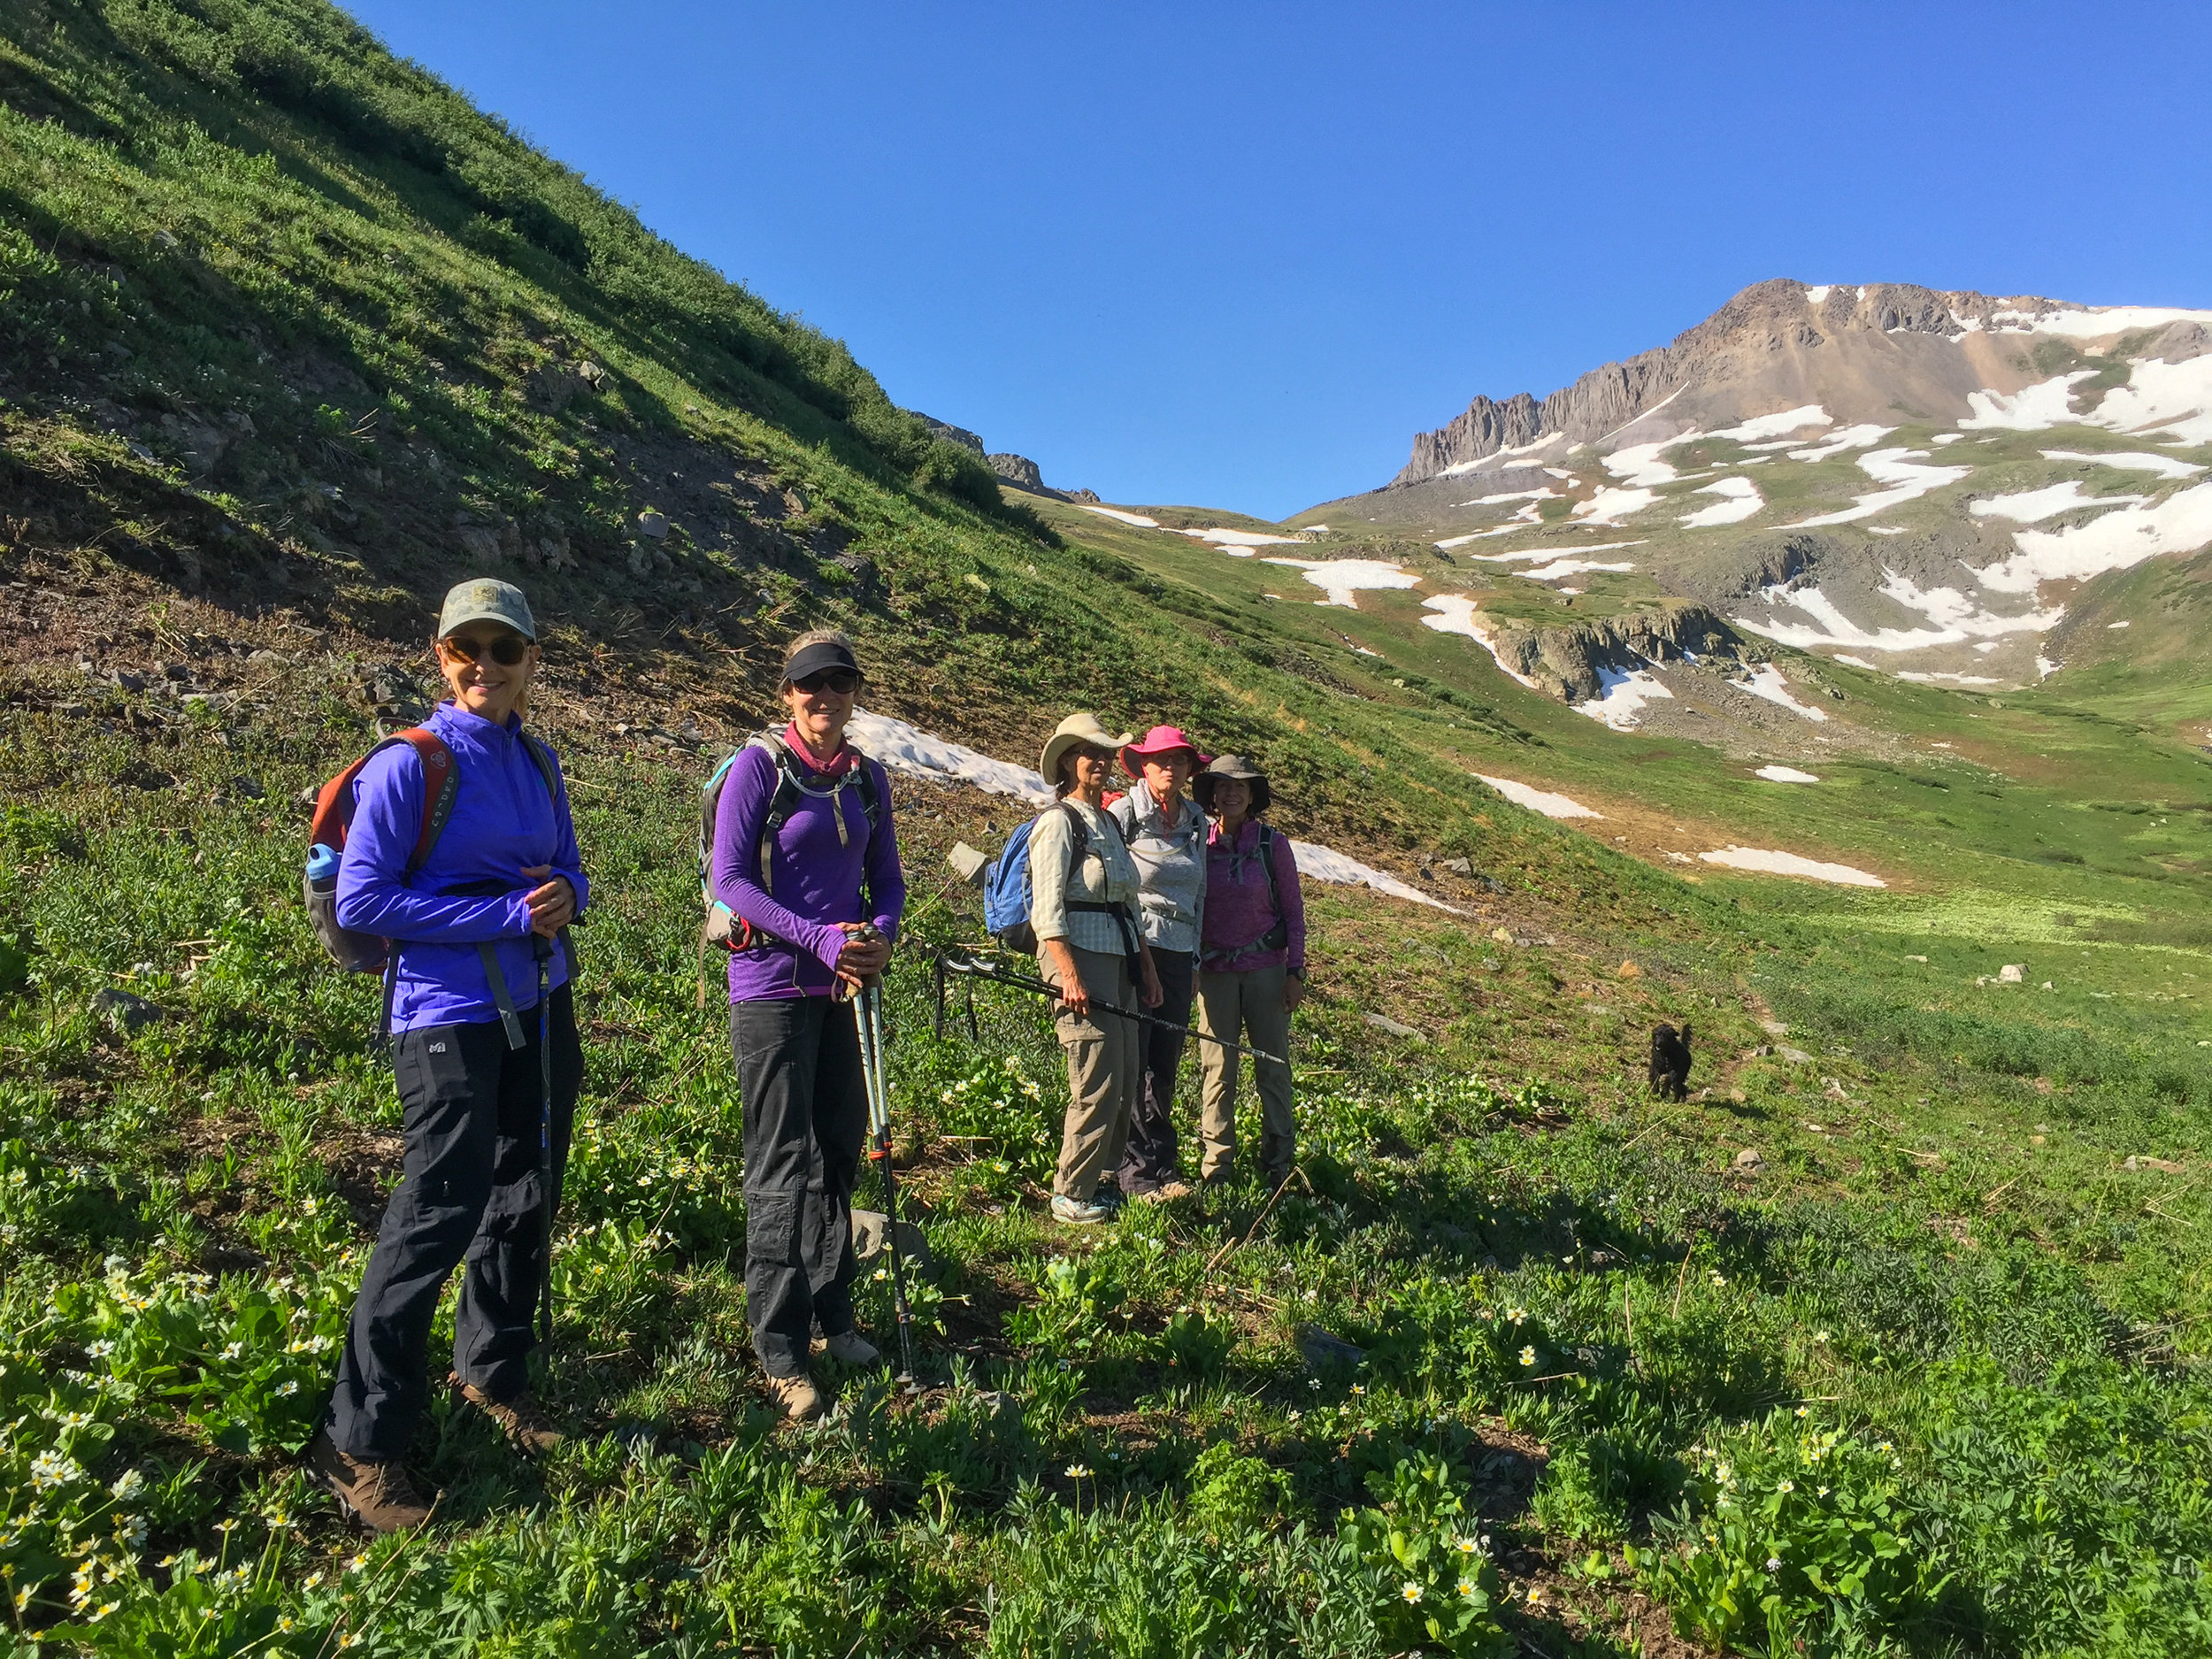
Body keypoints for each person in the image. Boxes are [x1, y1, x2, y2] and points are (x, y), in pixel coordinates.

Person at [309, 578, 587, 1533]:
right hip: (443, 1016)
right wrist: (507, 914)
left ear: (529, 662)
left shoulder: (539, 761)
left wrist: (564, 897)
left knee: (527, 1191)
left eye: (502, 650)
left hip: (540, 1004)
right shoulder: (411, 763)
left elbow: (571, 867)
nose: (484, 666)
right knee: (436, 1212)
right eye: (464, 648)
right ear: (440, 656)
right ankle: (360, 1443)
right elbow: (364, 902)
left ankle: (490, 1378)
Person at [710, 630, 906, 1420]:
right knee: (781, 1162)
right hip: (770, 988)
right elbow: (728, 878)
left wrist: (879, 933)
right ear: (786, 694)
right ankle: (780, 1342)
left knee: (837, 1150)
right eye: (808, 685)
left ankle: (836, 1314)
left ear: (854, 692)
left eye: (837, 683)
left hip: (843, 988)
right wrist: (825, 937)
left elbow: (885, 877)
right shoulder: (759, 768)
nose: (823, 696)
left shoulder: (869, 779)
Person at [1031, 714, 1163, 1225]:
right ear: (1067, 761)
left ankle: (1102, 1181)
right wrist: (1069, 974)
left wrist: (1147, 968)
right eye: (1090, 753)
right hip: (1080, 958)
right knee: (1096, 1076)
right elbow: (1047, 911)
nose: (1101, 762)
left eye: (1106, 754)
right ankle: (1071, 1190)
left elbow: (1128, 904)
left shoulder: (1106, 821)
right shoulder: (1058, 822)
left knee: (1126, 1074)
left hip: (1121, 959)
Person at [1192, 755, 1306, 1188]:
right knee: (1218, 1068)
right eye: (1223, 786)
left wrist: (1295, 972)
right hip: (1216, 972)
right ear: (1213, 796)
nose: (1231, 793)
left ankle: (1279, 1163)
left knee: (1273, 1066)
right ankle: (1217, 1167)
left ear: (1253, 795)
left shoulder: (1271, 845)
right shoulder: (1199, 842)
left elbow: (1294, 913)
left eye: (1240, 786)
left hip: (1267, 973)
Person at [1109, 726, 1210, 1202]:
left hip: (1179, 949)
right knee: (1137, 1055)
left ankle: (1161, 1165)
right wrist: (1143, 957)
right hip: (1135, 946)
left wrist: (1193, 962)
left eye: (1180, 761)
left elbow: (1201, 894)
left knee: (1164, 1060)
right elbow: (1117, 886)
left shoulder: (1195, 820)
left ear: (1190, 770)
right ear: (1143, 766)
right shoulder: (1124, 813)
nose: (1171, 768)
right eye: (1162, 760)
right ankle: (1137, 1174)